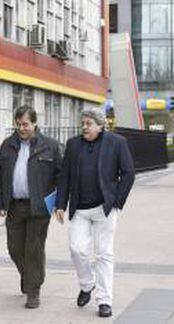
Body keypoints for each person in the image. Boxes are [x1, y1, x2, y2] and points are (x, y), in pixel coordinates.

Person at [55, 108, 135, 318]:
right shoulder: (73, 144)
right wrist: (60, 204)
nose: (84, 127)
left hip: (104, 209)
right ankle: (87, 284)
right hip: (80, 208)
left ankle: (104, 301)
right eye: (83, 123)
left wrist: (117, 201)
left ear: (100, 125)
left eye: (88, 124)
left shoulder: (117, 143)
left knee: (104, 254)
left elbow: (128, 173)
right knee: (76, 249)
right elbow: (65, 176)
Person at [0, 105, 62, 309]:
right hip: (15, 205)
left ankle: (33, 291)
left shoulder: (50, 146)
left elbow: (61, 176)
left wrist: (59, 204)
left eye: (25, 124)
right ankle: (30, 276)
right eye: (18, 124)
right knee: (14, 248)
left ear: (34, 123)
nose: (21, 128)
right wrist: (0, 202)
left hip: (39, 207)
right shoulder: (8, 145)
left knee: (33, 249)